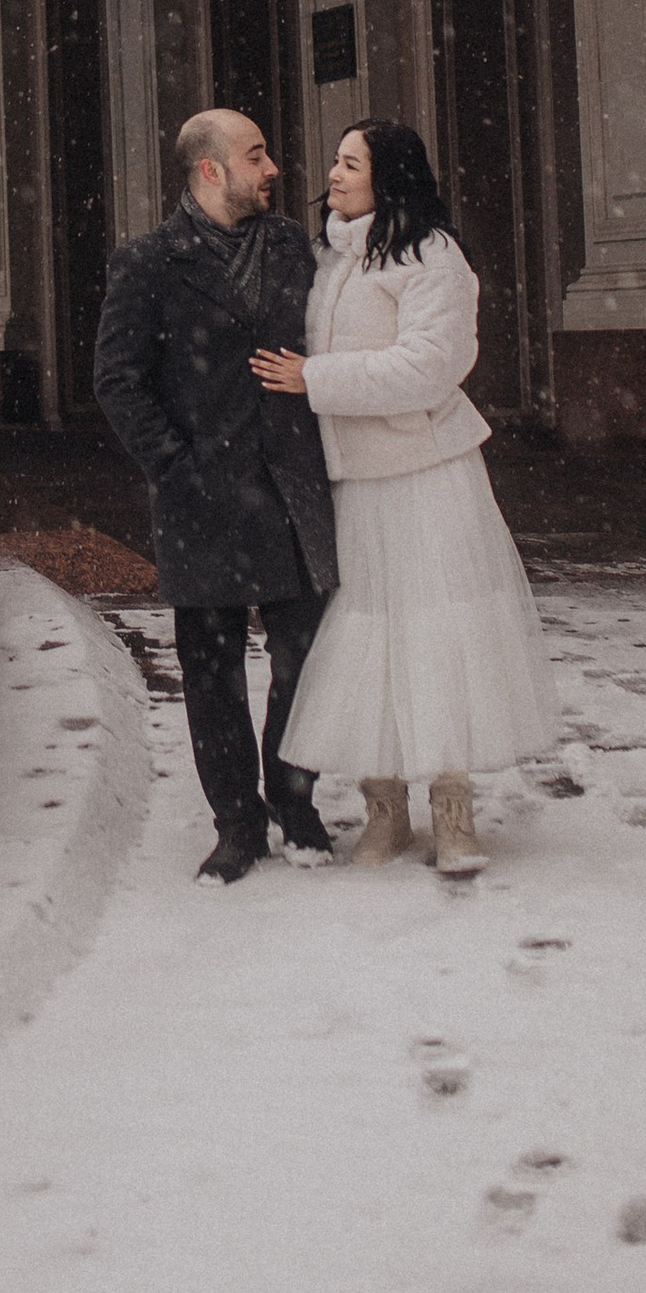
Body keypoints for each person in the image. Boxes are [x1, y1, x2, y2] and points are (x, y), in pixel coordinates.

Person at [251, 118, 558, 878]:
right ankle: (384, 804)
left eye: (351, 164)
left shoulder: (432, 256)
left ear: (389, 178)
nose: (333, 174)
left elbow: (431, 366)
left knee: (436, 634)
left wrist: (315, 379)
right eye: (335, 161)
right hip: (353, 482)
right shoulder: (329, 258)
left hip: (426, 476)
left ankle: (452, 808)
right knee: (366, 642)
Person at [93, 106, 342, 883]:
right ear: (211, 169)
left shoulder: (292, 245)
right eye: (255, 154)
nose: (273, 168)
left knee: (307, 658)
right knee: (212, 671)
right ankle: (237, 822)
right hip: (203, 500)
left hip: (293, 491)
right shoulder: (148, 263)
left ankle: (294, 799)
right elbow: (118, 381)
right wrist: (179, 467)